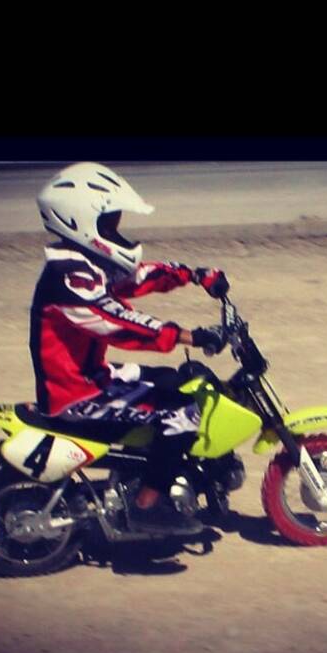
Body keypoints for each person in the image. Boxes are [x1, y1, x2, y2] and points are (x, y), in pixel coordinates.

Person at [31, 161, 229, 534]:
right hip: (75, 395)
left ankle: (149, 471)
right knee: (183, 413)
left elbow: (138, 277)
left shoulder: (84, 263)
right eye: (109, 222)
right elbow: (118, 323)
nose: (116, 229)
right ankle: (146, 506)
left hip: (92, 377)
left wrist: (194, 275)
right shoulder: (69, 277)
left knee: (177, 380)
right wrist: (188, 336)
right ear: (80, 221)